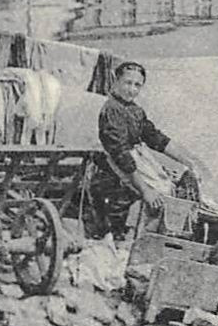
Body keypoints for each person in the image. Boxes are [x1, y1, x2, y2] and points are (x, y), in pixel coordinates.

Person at [85, 61, 208, 239]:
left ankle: (165, 235)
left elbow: (155, 138)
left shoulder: (135, 110)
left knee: (170, 186)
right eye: (128, 83)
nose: (132, 90)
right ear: (116, 81)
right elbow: (120, 154)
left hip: (136, 159)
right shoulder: (111, 110)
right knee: (159, 195)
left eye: (137, 85)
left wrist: (188, 161)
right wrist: (145, 190)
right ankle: (145, 238)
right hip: (117, 164)